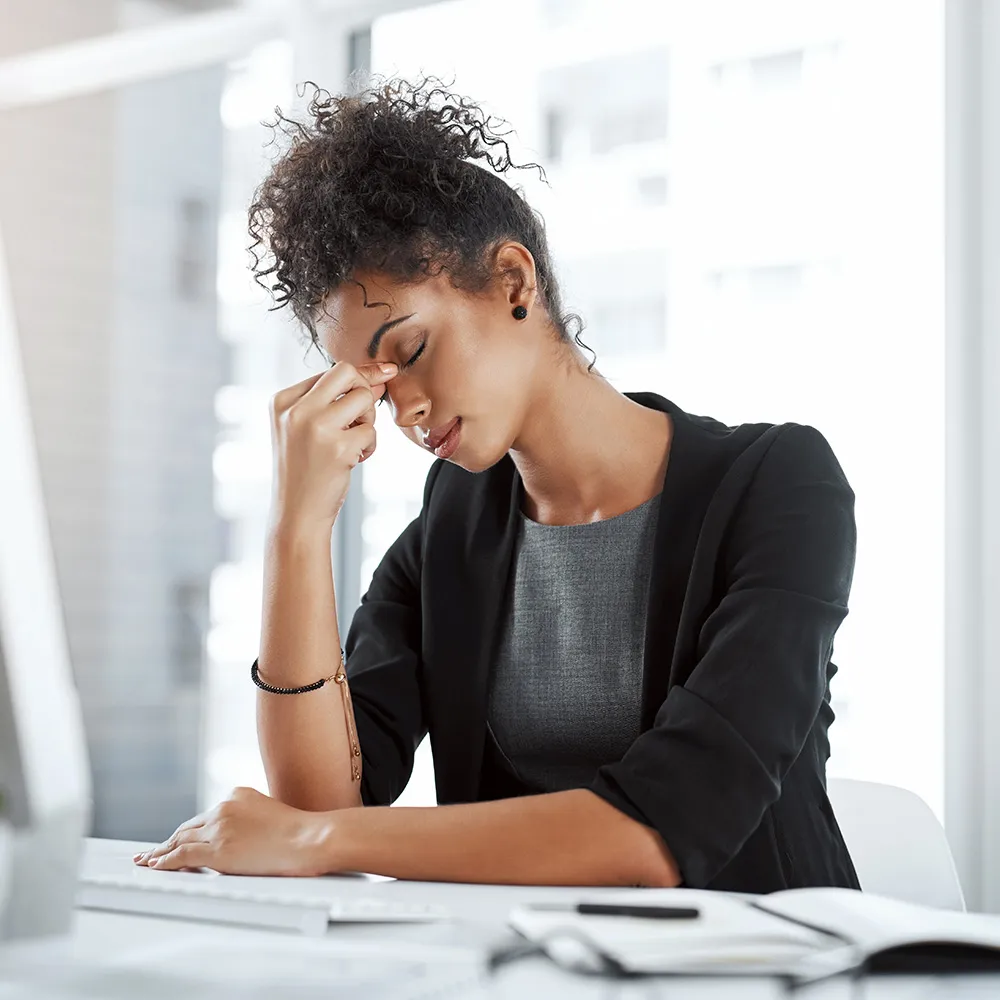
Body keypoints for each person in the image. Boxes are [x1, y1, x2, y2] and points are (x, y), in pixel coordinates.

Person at [135, 76, 859, 893]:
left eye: (407, 352)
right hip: (527, 968)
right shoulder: (452, 525)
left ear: (513, 282)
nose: (402, 409)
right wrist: (296, 531)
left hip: (767, 968)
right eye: (373, 386)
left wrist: (315, 840)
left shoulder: (780, 486)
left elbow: (661, 833)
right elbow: (327, 795)